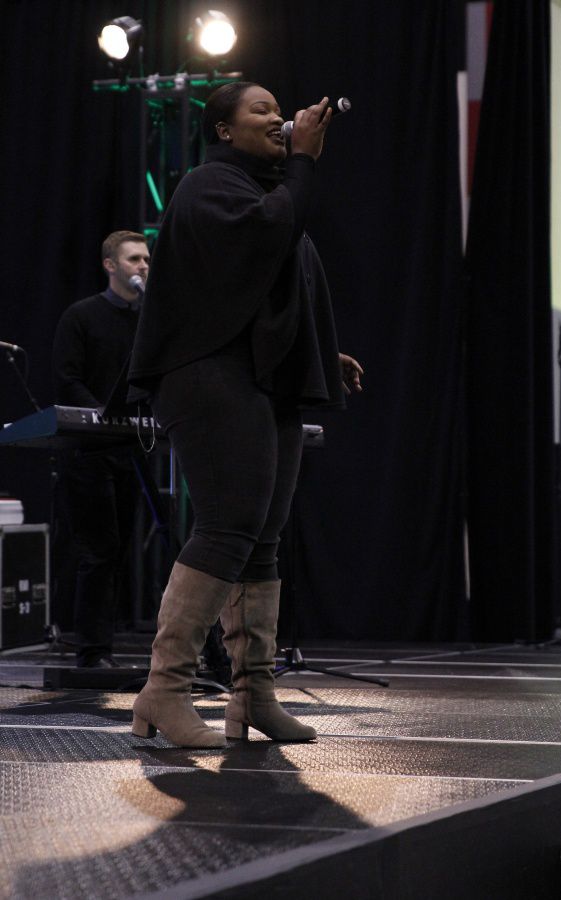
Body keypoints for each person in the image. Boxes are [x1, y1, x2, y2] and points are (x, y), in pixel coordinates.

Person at [128, 83, 363, 748]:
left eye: (277, 108)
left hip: (259, 378)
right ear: (224, 130)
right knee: (228, 526)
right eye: (260, 109)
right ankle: (164, 690)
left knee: (262, 538)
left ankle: (252, 695)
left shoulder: (267, 193)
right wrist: (304, 160)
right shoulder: (209, 184)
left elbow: (261, 290)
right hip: (207, 376)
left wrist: (318, 351)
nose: (277, 116)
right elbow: (262, 242)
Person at [52, 231, 150, 667]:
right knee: (98, 550)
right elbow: (67, 378)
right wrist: (100, 416)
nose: (143, 266)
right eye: (134, 259)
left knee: (120, 548)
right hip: (89, 451)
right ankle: (93, 651)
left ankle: (105, 645)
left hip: (130, 448)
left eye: (146, 259)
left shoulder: (148, 321)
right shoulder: (82, 316)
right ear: (110, 265)